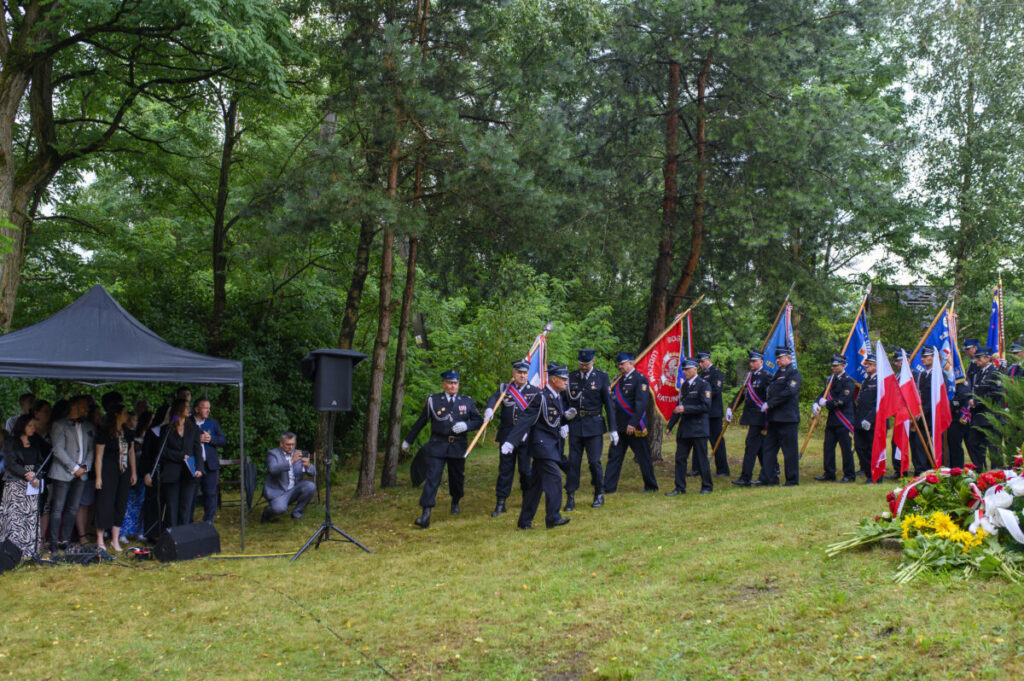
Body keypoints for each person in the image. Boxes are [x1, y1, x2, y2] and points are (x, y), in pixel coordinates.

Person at [401, 370, 483, 528]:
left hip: (458, 445)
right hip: (438, 444)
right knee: (432, 478)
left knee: (457, 478)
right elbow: (421, 421)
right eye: (450, 383)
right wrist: (408, 440)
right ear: (444, 384)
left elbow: (479, 421)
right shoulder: (434, 400)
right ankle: (426, 513)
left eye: (456, 383)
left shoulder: (466, 401)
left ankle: (456, 500)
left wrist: (467, 425)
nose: (453, 386)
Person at [501, 363, 573, 529]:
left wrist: (565, 421)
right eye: (563, 379)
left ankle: (524, 521)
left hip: (551, 445)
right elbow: (526, 418)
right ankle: (553, 517)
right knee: (555, 478)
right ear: (554, 379)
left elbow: (553, 420)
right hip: (541, 445)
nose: (566, 382)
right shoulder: (541, 397)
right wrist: (511, 441)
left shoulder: (557, 397)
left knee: (535, 487)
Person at [484, 359, 540, 517]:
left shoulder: (534, 392)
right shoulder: (504, 389)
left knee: (525, 470)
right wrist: (489, 409)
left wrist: (527, 432)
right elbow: (494, 399)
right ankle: (501, 502)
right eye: (519, 373)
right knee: (505, 470)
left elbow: (535, 415)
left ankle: (527, 499)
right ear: (513, 373)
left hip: (525, 437)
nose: (522, 376)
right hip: (507, 436)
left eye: (524, 373)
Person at [563, 349, 617, 510]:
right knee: (573, 462)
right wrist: (564, 420)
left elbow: (609, 404)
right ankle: (570, 496)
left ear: (592, 361)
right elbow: (564, 400)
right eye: (581, 363)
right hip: (576, 425)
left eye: (586, 364)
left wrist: (613, 428)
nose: (583, 367)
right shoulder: (571, 377)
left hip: (594, 425)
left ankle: (599, 492)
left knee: (594, 462)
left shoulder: (601, 377)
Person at [604, 352, 659, 494]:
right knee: (614, 457)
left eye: (622, 364)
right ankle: (608, 487)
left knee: (643, 457)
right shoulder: (618, 380)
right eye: (619, 364)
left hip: (634, 426)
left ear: (631, 363)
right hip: (620, 426)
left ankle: (651, 485)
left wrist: (633, 423)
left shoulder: (640, 379)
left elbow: (641, 404)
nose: (620, 367)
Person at [47, 396, 95, 550]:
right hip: (63, 472)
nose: (87, 409)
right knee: (58, 507)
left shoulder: (88, 426)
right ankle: (54, 541)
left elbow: (91, 450)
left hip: (82, 474)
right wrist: (74, 468)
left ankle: (65, 540)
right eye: (84, 406)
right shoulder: (59, 425)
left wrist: (85, 467)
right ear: (74, 406)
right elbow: (58, 450)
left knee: (73, 508)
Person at [665, 357, 712, 495]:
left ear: (695, 369)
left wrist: (686, 409)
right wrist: (670, 425)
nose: (685, 372)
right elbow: (678, 407)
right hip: (685, 429)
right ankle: (680, 487)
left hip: (698, 428)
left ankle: (707, 486)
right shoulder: (684, 386)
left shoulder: (704, 385)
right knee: (680, 458)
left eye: (687, 369)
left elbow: (705, 406)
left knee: (702, 459)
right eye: (683, 370)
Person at [93, 404, 136, 552]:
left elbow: (131, 453)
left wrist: (133, 472)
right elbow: (98, 456)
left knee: (121, 502)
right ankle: (100, 539)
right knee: (105, 502)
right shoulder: (105, 432)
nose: (127, 416)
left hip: (124, 470)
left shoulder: (127, 432)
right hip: (108, 470)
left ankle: (115, 539)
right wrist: (98, 477)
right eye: (124, 413)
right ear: (117, 414)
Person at [0, 415, 44, 558]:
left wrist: (35, 474)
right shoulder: (11, 442)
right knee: (15, 518)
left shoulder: (35, 442)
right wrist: (27, 474)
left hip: (32, 482)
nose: (33, 428)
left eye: (33, 425)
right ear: (22, 427)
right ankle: (12, 551)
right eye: (30, 425)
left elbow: (40, 460)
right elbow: (11, 463)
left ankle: (30, 550)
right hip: (16, 483)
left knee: (30, 517)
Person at [758, 347, 801, 486]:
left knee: (789, 451)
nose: (777, 360)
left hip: (787, 418)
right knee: (768, 449)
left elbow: (789, 392)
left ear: (789, 358)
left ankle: (792, 479)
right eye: (777, 358)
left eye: (780, 358)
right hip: (774, 418)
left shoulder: (793, 373)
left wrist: (770, 403)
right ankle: (768, 478)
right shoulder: (777, 373)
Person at [731, 350, 773, 487]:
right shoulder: (749, 376)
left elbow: (771, 395)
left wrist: (769, 407)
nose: (752, 363)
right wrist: (731, 407)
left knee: (750, 446)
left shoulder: (766, 376)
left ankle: (746, 477)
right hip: (751, 417)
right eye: (750, 361)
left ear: (761, 361)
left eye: (754, 361)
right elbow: (742, 394)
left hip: (761, 418)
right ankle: (770, 475)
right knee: (760, 448)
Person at [813, 354, 857, 482]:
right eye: (832, 365)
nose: (833, 367)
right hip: (832, 420)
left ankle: (849, 474)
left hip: (844, 419)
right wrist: (816, 402)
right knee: (828, 447)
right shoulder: (830, 380)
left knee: (845, 449)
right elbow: (824, 394)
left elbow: (843, 400)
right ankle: (829, 473)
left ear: (843, 366)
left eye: (836, 365)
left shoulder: (848, 381)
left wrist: (827, 403)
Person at [160, 398, 203, 527]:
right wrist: (180, 456)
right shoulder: (167, 429)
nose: (189, 410)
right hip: (172, 472)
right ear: (179, 410)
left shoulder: (193, 428)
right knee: (172, 507)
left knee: (186, 506)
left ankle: (184, 536)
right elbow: (163, 450)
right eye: (186, 407)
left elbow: (197, 449)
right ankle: (172, 536)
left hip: (189, 472)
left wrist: (199, 468)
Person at [262, 432, 316, 521]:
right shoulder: (273, 454)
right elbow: (273, 469)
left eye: (293, 444)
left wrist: (308, 466)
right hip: (278, 492)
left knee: (310, 486)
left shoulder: (299, 453)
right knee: (279, 509)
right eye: (288, 445)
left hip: (294, 489)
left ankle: (297, 512)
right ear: (281, 444)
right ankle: (268, 511)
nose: (291, 447)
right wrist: (291, 461)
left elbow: (313, 473)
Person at [967, 347, 1004, 470]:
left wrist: (977, 401)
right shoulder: (977, 372)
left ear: (988, 358)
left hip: (991, 416)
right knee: (973, 443)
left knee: (993, 449)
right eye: (975, 358)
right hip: (978, 416)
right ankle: (979, 471)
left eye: (979, 358)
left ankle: (996, 473)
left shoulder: (995, 372)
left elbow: (997, 392)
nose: (976, 361)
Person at [192, 398, 226, 525]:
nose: (208, 410)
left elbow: (223, 440)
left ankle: (208, 521)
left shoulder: (213, 423)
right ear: (196, 409)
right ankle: (188, 521)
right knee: (192, 493)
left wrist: (211, 439)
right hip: (194, 464)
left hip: (210, 464)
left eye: (209, 408)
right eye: (205, 407)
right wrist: (197, 438)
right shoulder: (189, 423)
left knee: (210, 493)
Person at [696, 351, 729, 477]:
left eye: (703, 361)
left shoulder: (716, 373)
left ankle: (722, 469)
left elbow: (716, 390)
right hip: (702, 412)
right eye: (699, 362)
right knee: (699, 440)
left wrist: (701, 396)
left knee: (717, 440)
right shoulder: (700, 374)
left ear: (709, 360)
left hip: (713, 412)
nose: (701, 364)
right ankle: (698, 468)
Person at [908, 346, 936, 475]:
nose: (923, 359)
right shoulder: (922, 375)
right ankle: (920, 470)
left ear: (934, 357)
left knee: (929, 445)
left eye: (926, 357)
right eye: (922, 357)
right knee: (918, 445)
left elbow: (935, 398)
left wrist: (923, 412)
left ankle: (928, 470)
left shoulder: (938, 375)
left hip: (931, 417)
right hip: (920, 416)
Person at [854, 354, 878, 482]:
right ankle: (869, 473)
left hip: (872, 422)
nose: (866, 366)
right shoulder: (866, 380)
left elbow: (879, 403)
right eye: (866, 364)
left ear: (876, 366)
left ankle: (875, 475)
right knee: (860, 447)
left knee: (871, 449)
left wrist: (870, 419)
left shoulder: (880, 381)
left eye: (869, 364)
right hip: (860, 420)